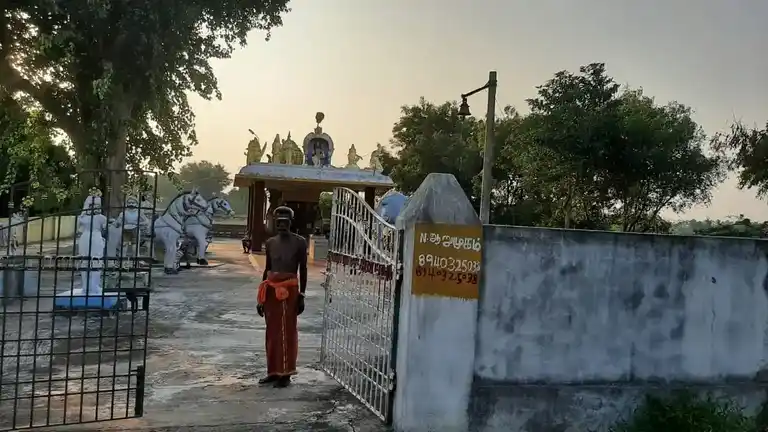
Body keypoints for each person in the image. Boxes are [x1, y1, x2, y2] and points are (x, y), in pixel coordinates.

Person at [256, 206, 307, 388]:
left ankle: (285, 374)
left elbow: (303, 269)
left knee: (287, 332)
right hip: (271, 290)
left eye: (285, 222)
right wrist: (261, 298)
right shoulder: (270, 243)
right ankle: (273, 372)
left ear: (291, 222)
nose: (281, 225)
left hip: (289, 290)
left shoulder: (300, 242)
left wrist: (301, 295)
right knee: (272, 332)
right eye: (278, 222)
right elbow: (267, 269)